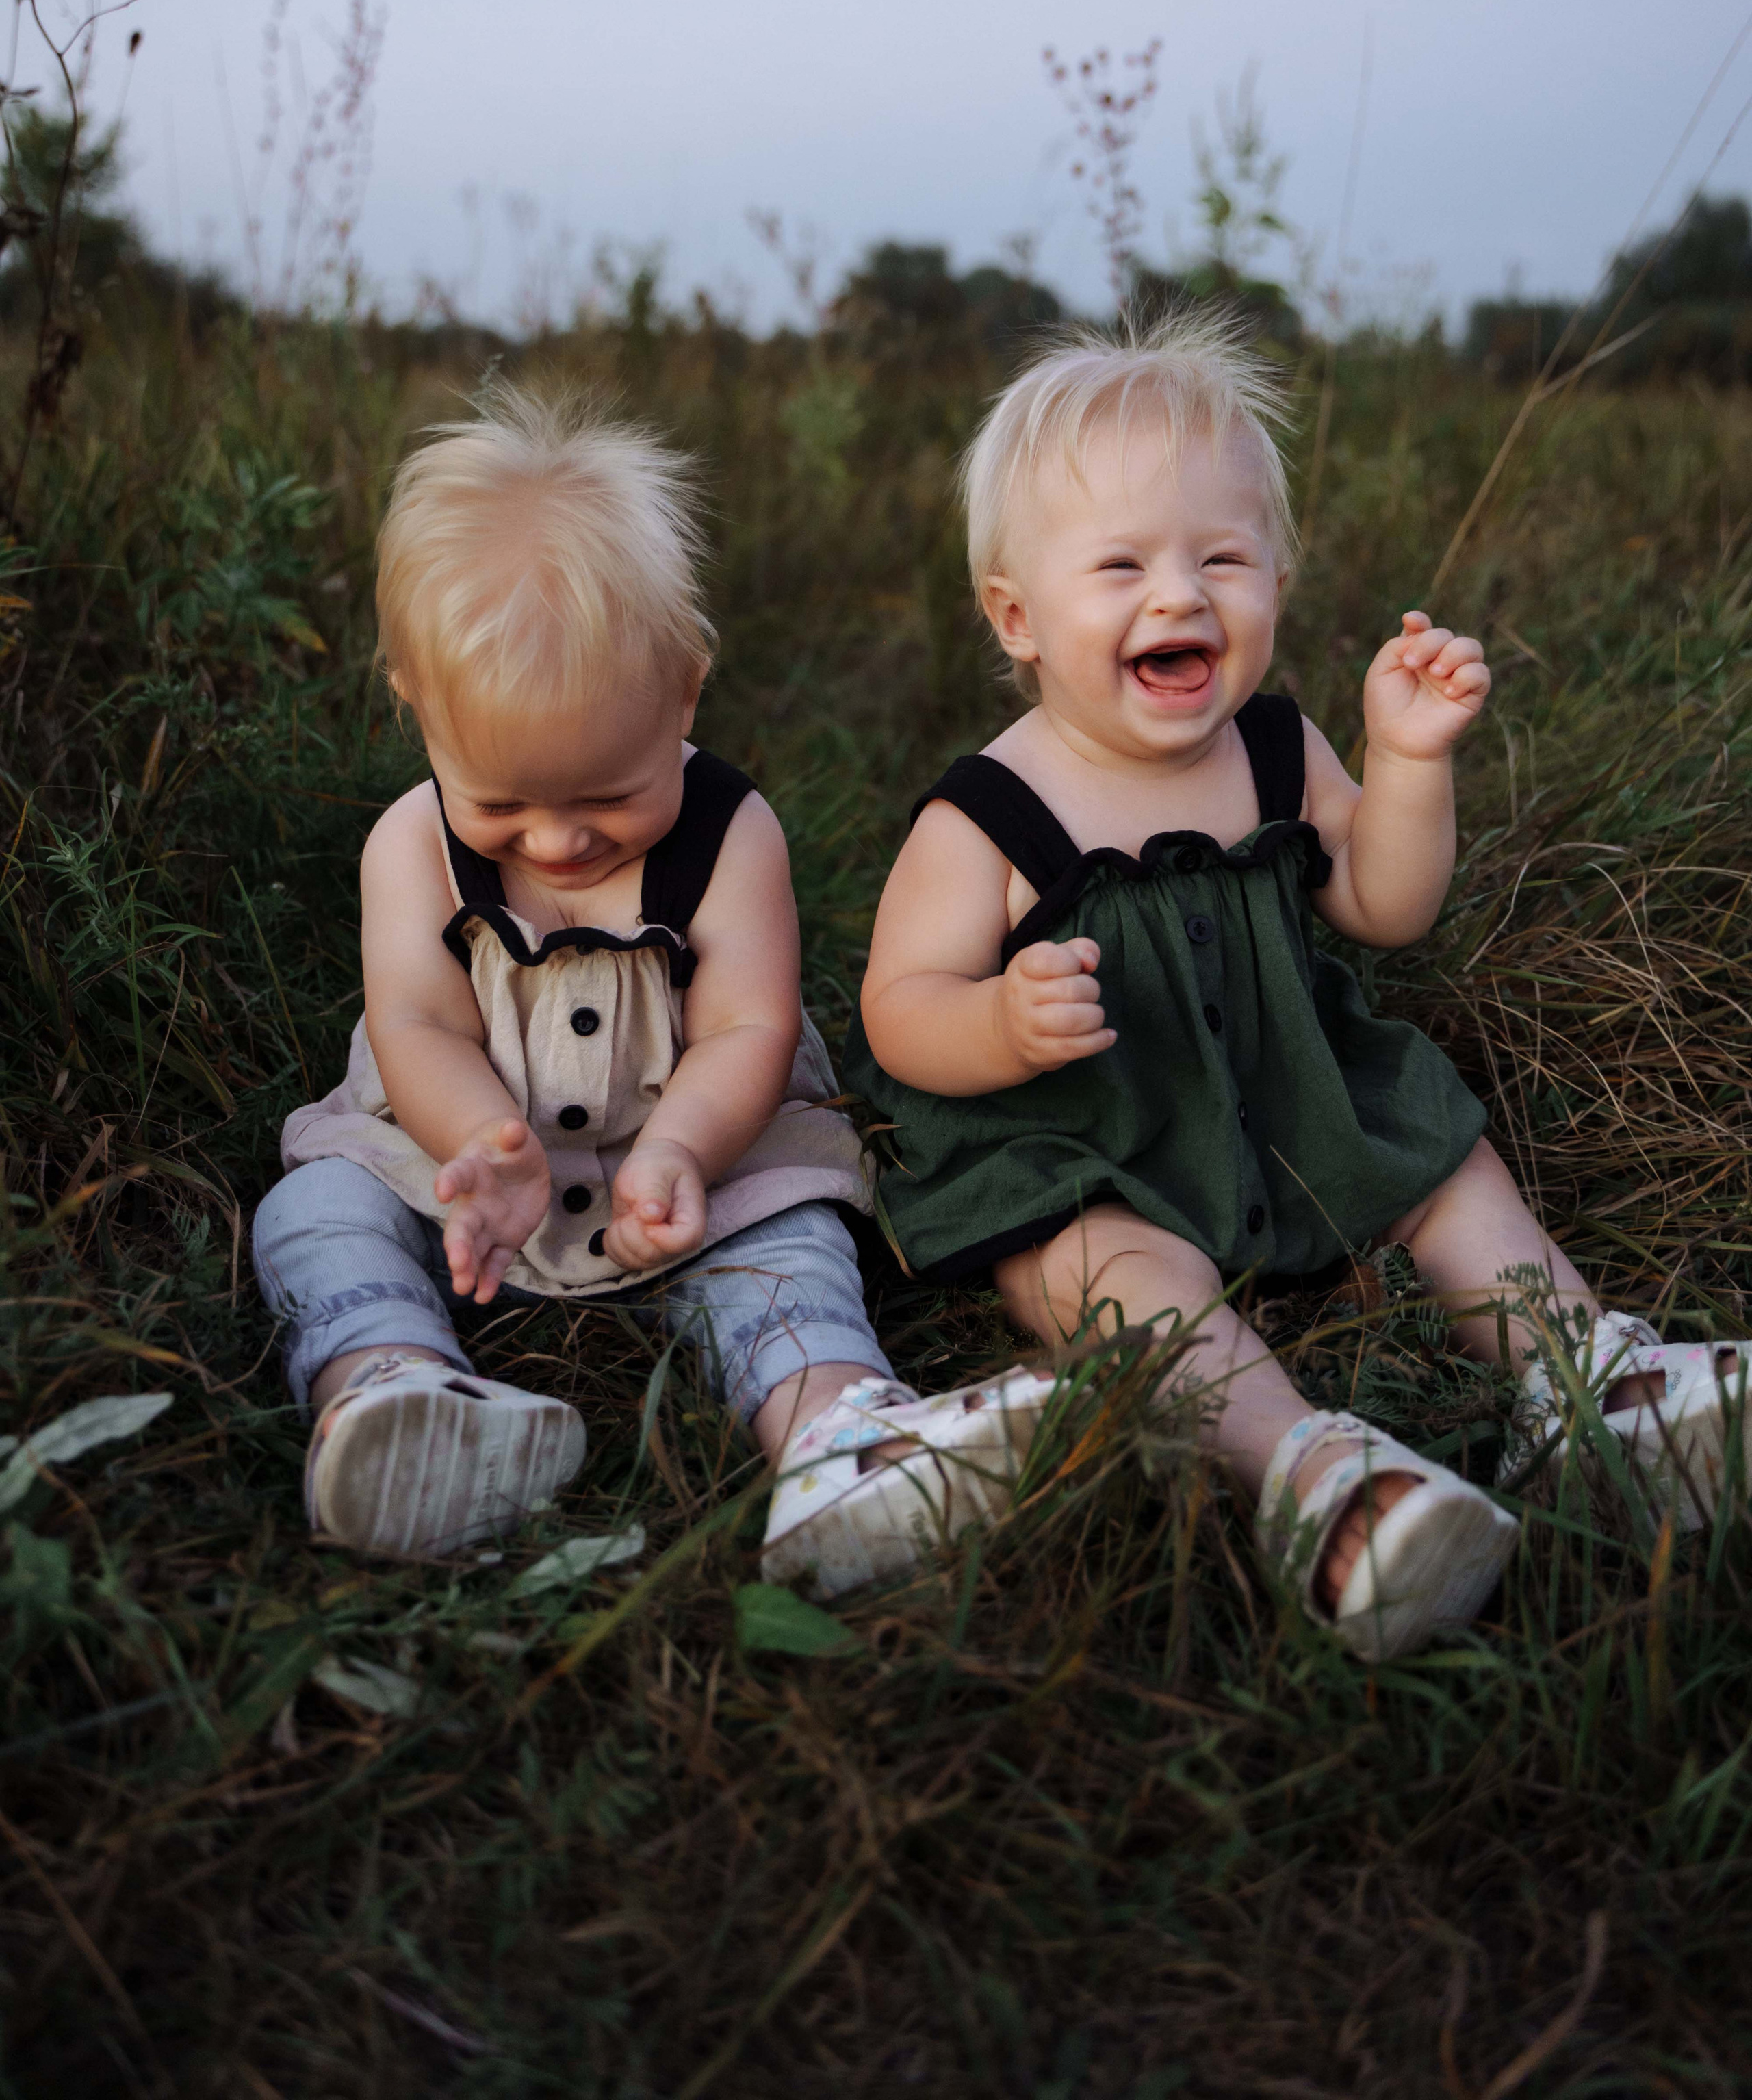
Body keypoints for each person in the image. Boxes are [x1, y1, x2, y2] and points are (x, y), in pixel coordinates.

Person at [845, 313, 1752, 1659]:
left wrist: (1406, 761)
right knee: (1105, 1273)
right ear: (1015, 616)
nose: (1179, 598)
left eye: (1221, 558)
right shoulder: (989, 811)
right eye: (1119, 567)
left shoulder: (1273, 746)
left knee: (1440, 1162)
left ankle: (1582, 1376)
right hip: (1091, 1136)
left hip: (1285, 1098)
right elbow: (893, 1007)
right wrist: (991, 1019)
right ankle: (1307, 1471)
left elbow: (1379, 904)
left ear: (1273, 574)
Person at [255, 387, 1048, 1587]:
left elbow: (749, 1025)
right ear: (415, 705)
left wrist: (681, 1149)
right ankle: (391, 1386)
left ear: (685, 690)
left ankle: (842, 1433)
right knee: (316, 1214)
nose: (561, 843)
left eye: (609, 799)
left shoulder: (732, 836)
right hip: (461, 1165)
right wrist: (478, 1140)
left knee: (788, 1250)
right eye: (505, 807)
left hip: (697, 1158)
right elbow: (414, 1022)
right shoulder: (409, 846)